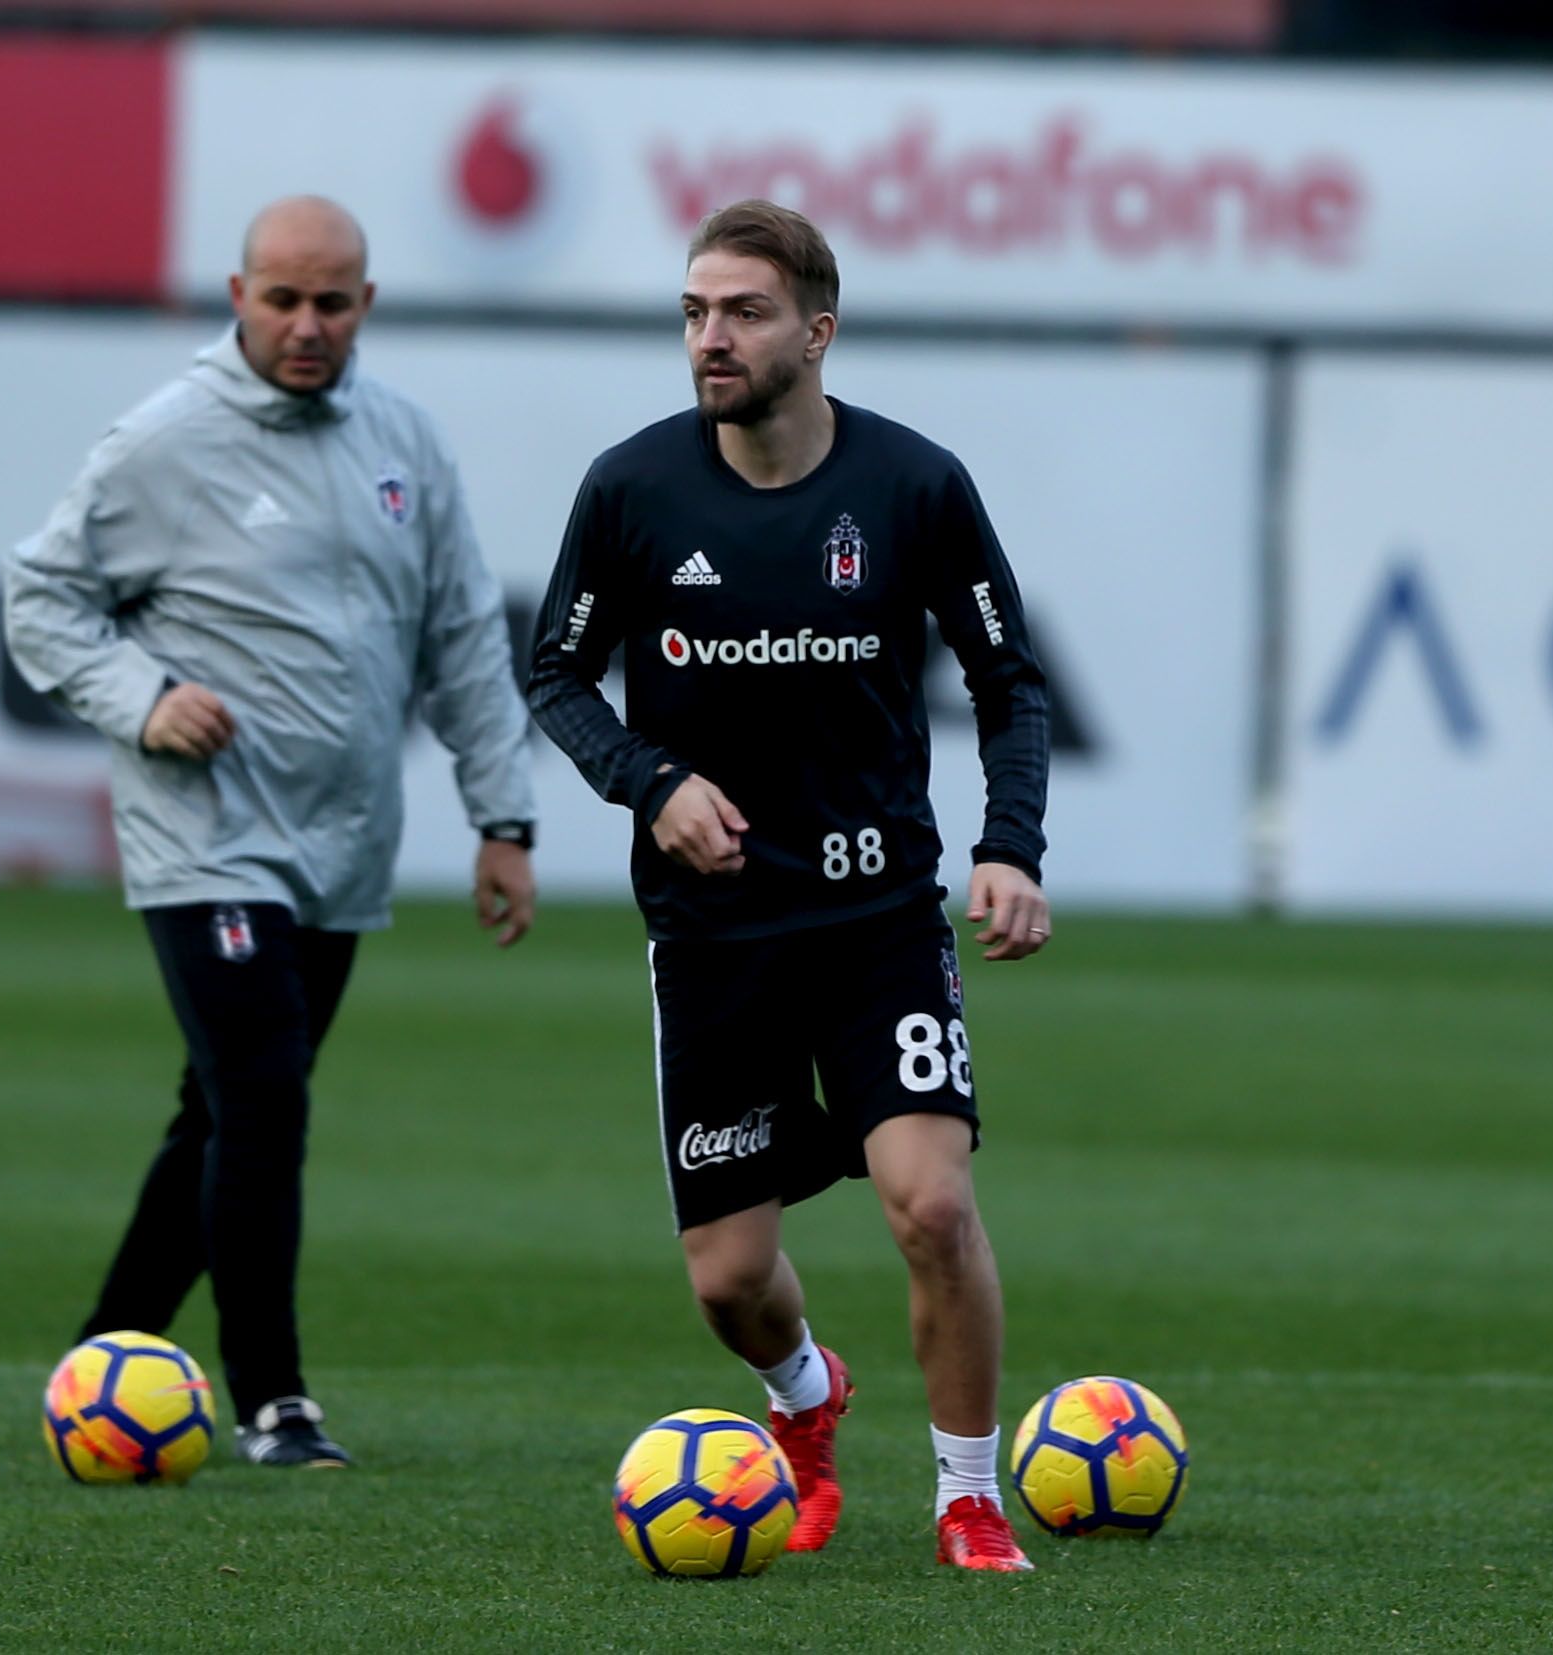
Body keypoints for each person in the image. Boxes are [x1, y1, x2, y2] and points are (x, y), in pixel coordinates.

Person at [525, 199, 1051, 1570]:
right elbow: (555, 673)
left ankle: (967, 1494)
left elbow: (1008, 681)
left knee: (930, 1204)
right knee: (731, 1279)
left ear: (816, 330)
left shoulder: (913, 485)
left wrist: (1010, 845)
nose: (711, 336)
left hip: (878, 916)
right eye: (696, 310)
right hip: (713, 936)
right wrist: (650, 780)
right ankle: (808, 1397)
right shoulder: (633, 490)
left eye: (742, 311)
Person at [5, 195, 538, 1469]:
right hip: (209, 835)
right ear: (237, 295)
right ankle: (272, 1399)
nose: (306, 325)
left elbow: (463, 636)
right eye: (283, 298)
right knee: (261, 1097)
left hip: (341, 847)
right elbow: (41, 596)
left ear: (366, 305)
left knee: (219, 1114)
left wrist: (502, 813)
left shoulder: (405, 439)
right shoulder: (166, 441)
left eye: (332, 301)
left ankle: (106, 1354)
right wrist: (142, 699)